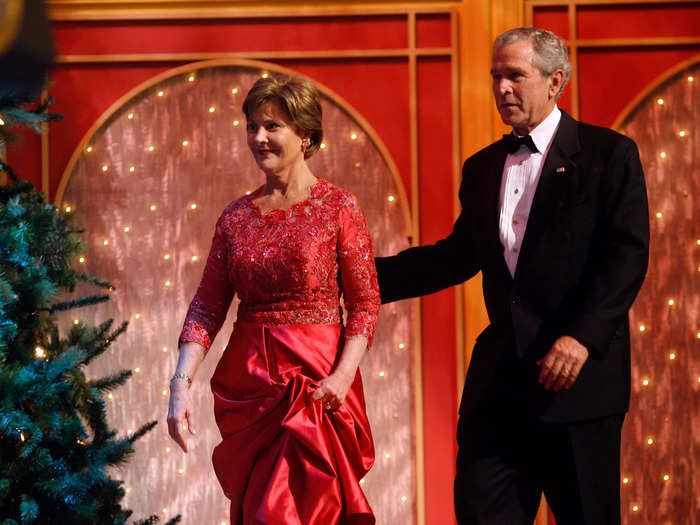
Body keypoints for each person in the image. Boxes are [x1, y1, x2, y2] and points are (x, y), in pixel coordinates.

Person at [376, 27, 649, 524]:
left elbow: (625, 256)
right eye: (496, 77)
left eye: (515, 76)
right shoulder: (482, 168)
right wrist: (355, 278)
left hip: (577, 385)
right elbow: (456, 256)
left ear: (555, 81)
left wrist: (581, 338)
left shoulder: (609, 155)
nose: (502, 88)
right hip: (499, 388)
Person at [167, 74, 380, 525]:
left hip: (316, 384)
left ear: (306, 135)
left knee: (311, 506)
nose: (258, 138)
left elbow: (364, 304)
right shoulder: (235, 216)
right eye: (251, 127)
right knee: (265, 510)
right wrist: (179, 387)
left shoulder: (339, 207)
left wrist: (342, 377)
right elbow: (207, 307)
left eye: (272, 126)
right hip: (253, 388)